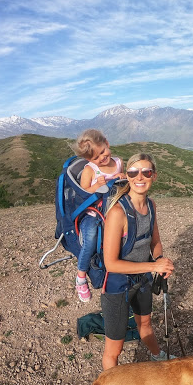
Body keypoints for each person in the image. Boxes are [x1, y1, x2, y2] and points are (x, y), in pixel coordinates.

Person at [100, 153, 175, 385]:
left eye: (146, 172)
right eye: (133, 173)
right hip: (117, 285)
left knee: (145, 324)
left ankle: (157, 356)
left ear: (154, 175)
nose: (139, 178)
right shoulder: (118, 212)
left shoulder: (151, 206)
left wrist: (160, 260)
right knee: (114, 348)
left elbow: (155, 241)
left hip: (142, 279)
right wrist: (153, 267)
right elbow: (111, 263)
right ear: (127, 177)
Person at [70, 129, 124, 302]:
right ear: (89, 160)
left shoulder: (118, 163)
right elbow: (83, 193)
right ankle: (80, 276)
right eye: (96, 157)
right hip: (92, 214)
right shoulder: (90, 170)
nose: (102, 158)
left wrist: (123, 177)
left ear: (107, 144)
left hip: (113, 210)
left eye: (102, 152)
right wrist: (97, 186)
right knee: (91, 238)